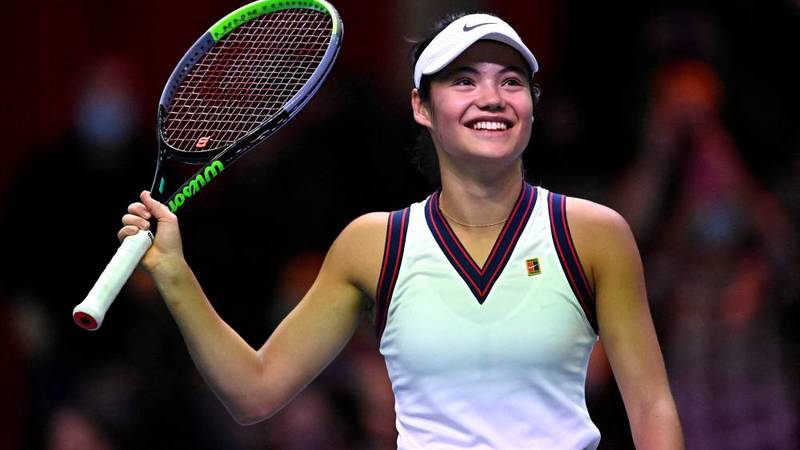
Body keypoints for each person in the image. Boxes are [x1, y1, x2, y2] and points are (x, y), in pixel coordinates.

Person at [119, 12, 683, 449]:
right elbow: (254, 391)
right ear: (421, 106)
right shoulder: (374, 245)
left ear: (532, 105)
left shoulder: (593, 234)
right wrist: (174, 273)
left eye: (511, 82)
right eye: (464, 81)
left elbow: (652, 406)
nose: (491, 98)